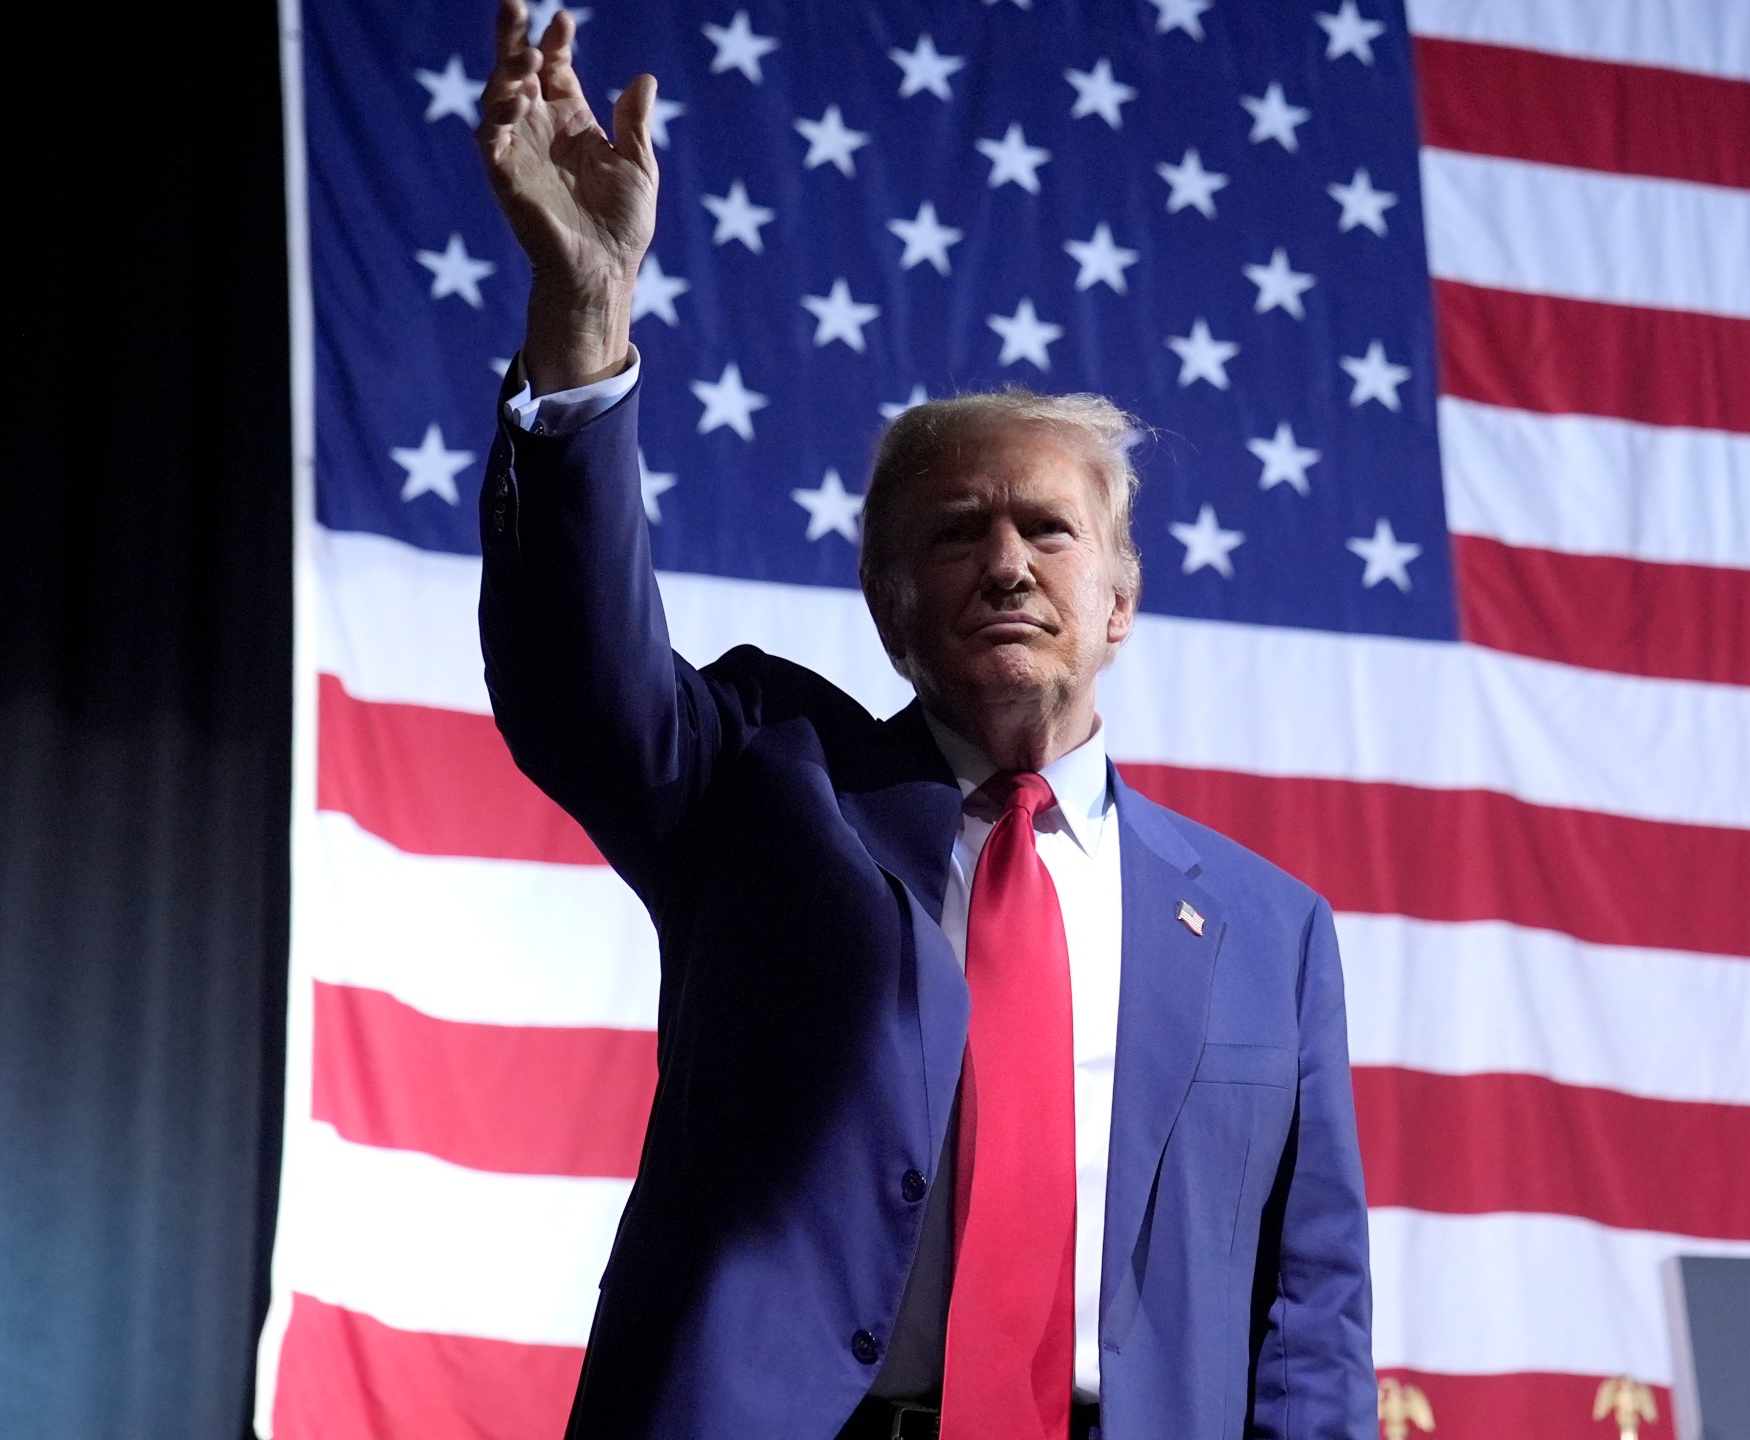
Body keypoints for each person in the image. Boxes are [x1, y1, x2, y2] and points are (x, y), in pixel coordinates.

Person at [470, 3, 1375, 1436]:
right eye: (958, 534)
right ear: (891, 604)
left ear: (1123, 597)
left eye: (1048, 531)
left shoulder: (1275, 932)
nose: (1007, 562)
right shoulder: (767, 788)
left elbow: (1307, 1312)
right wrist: (583, 322)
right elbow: (580, 687)